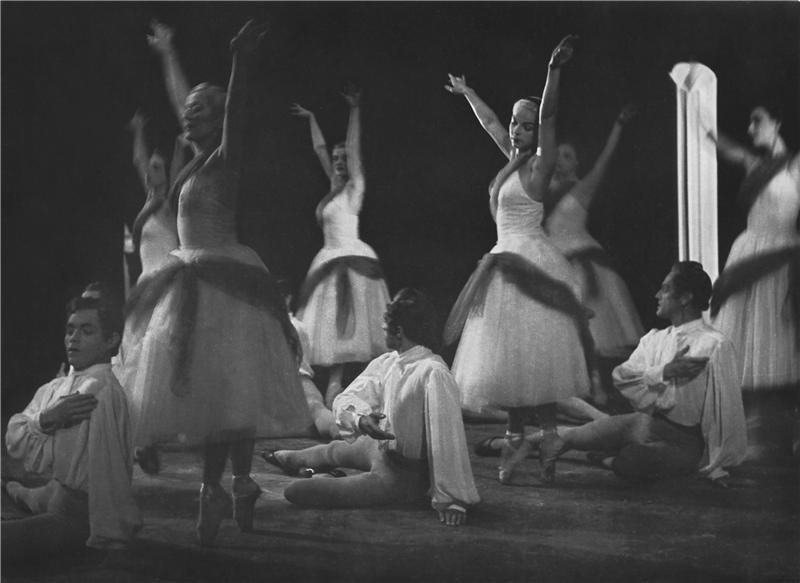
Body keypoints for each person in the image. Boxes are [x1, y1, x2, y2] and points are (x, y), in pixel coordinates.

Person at [119, 20, 312, 546]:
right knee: (215, 393)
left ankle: (233, 484)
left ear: (218, 116)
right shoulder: (193, 160)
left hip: (228, 283)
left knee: (234, 389)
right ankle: (222, 488)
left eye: (201, 110)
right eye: (189, 110)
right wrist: (168, 54)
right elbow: (182, 100)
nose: (189, 114)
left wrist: (240, 60)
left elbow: (235, 107)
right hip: (192, 282)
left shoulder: (225, 159)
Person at [443, 35, 593, 485]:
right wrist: (469, 94)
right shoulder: (513, 159)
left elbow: (548, 115)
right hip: (503, 261)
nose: (516, 130)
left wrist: (553, 70)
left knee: (536, 360)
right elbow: (491, 123)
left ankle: (545, 442)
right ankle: (523, 439)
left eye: (525, 126)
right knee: (512, 363)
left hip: (529, 262)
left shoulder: (539, 167)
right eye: (515, 123)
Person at [262, 288, 479, 526]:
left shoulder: (432, 372)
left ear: (399, 331)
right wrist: (360, 419)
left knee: (297, 492)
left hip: (404, 476)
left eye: (385, 328)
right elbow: (347, 397)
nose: (382, 332)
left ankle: (319, 475)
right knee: (334, 449)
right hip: (381, 451)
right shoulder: (389, 361)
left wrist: (452, 500)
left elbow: (447, 438)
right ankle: (289, 458)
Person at [517, 262, 747, 486]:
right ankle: (515, 444)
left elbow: (725, 411)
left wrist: (717, 465)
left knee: (632, 460)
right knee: (573, 437)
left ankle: (609, 458)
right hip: (646, 424)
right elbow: (622, 377)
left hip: (686, 442)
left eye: (665, 289)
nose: (657, 295)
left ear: (685, 297)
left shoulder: (715, 345)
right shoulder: (655, 339)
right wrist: (664, 371)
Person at [4, 294, 141, 560]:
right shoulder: (62, 385)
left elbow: (109, 470)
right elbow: (14, 434)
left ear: (111, 340)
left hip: (81, 515)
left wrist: (108, 533)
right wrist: (46, 419)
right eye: (70, 330)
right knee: (24, 492)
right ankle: (17, 491)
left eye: (86, 331)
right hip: (57, 493)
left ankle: (19, 493)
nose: (73, 339)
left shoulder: (97, 391)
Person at [707, 104, 800, 460]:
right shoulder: (755, 163)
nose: (751, 128)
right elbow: (726, 146)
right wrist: (702, 119)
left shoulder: (794, 165)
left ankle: (784, 425)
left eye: (757, 120)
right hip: (748, 250)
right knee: (750, 336)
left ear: (778, 122)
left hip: (780, 255)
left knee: (780, 334)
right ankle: (753, 426)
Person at [291, 89, 391, 409]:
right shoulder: (333, 188)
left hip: (351, 258)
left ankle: (351, 386)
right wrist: (312, 119)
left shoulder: (354, 188)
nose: (337, 162)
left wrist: (355, 111)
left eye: (342, 159)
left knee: (351, 327)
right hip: (328, 258)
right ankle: (336, 385)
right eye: (335, 159)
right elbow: (320, 149)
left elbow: (354, 149)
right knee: (334, 325)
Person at [545, 105, 644, 367]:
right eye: (557, 155)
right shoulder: (541, 189)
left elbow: (604, 161)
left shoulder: (582, 188)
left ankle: (598, 377)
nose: (560, 160)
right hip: (552, 260)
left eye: (567, 156)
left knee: (593, 333)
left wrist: (618, 127)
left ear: (576, 163)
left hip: (580, 260)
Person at [277, 276, 341, 440]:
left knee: (316, 408)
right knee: (315, 408)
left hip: (298, 379)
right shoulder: (293, 326)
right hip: (284, 382)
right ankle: (337, 431)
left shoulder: (296, 326)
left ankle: (340, 432)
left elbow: (302, 364)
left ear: (288, 299)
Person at [126, 110, 180, 280]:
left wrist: (179, 147)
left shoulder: (169, 203)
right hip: (148, 279)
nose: (148, 172)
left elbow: (177, 166)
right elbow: (139, 160)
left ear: (167, 175)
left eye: (156, 168)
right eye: (149, 167)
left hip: (167, 279)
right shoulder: (151, 200)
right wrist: (139, 129)